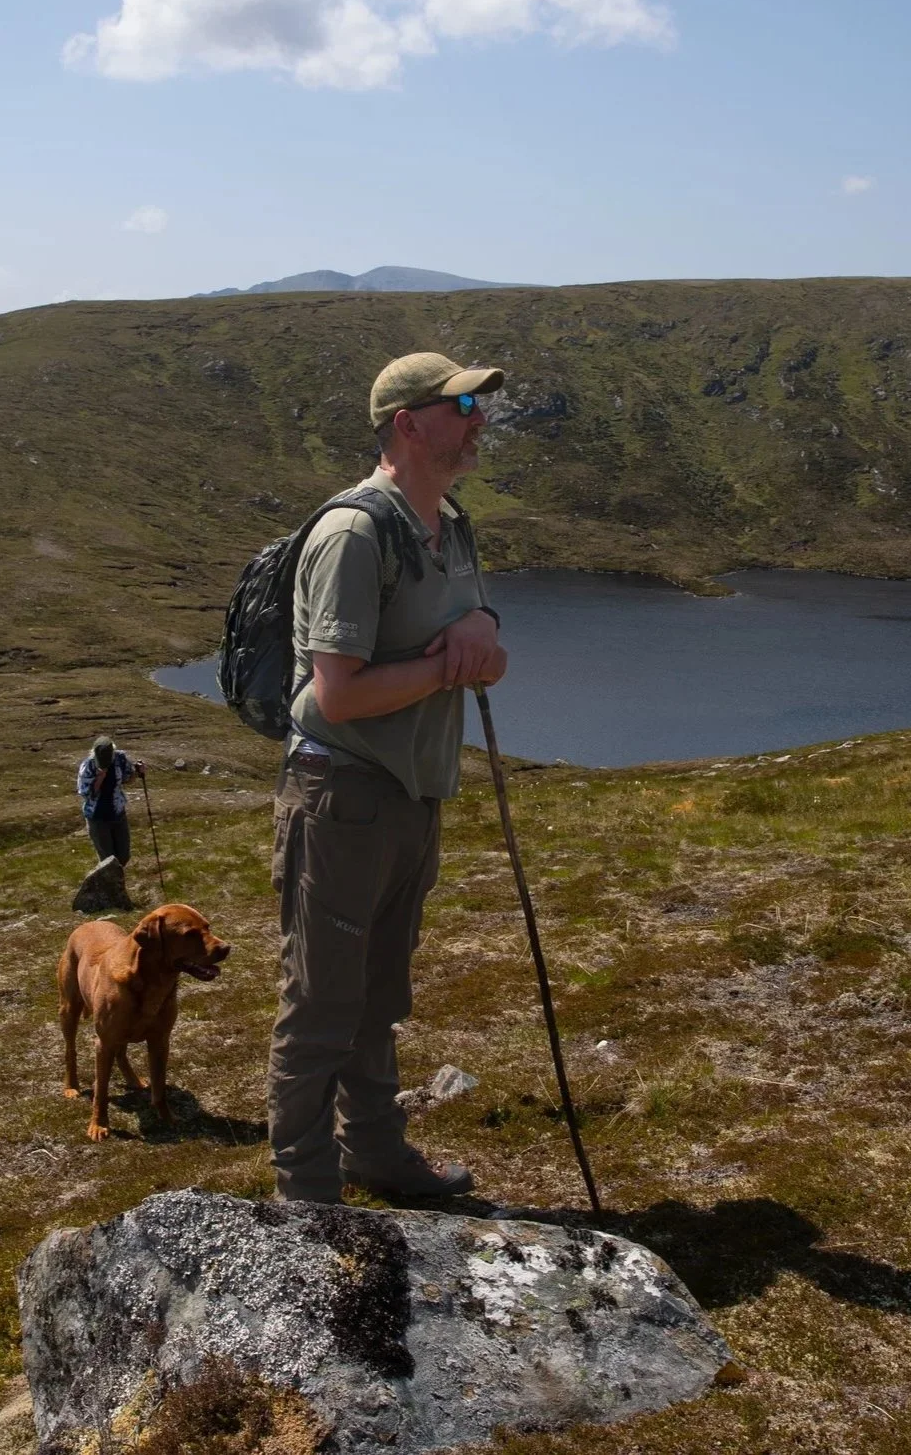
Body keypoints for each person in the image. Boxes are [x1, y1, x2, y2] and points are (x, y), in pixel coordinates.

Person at [268, 350, 509, 1203]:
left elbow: (471, 636)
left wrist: (477, 626)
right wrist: (456, 664)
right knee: (323, 1003)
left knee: (379, 996)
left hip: (411, 797)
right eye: (463, 404)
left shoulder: (448, 523)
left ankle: (375, 1153)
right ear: (407, 423)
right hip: (342, 797)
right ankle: (305, 1191)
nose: (480, 417)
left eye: (479, 401)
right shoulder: (353, 534)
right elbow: (337, 694)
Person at [77, 736, 144, 866]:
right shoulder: (88, 766)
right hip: (97, 818)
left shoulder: (120, 759)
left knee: (123, 856)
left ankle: (116, 881)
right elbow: (86, 793)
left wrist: (138, 772)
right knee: (108, 860)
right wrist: (101, 776)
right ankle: (109, 883)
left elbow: (127, 779)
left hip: (118, 813)